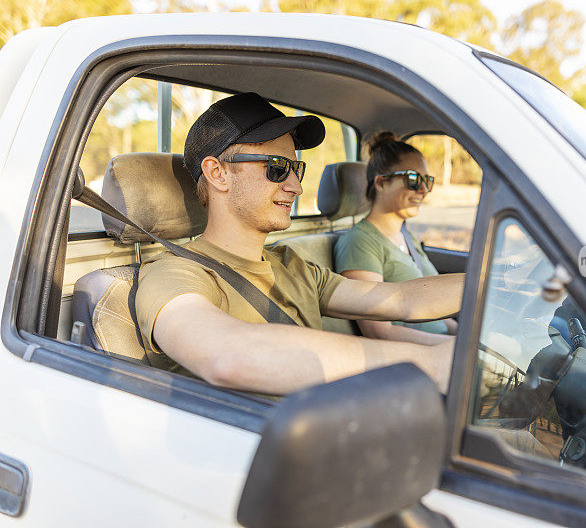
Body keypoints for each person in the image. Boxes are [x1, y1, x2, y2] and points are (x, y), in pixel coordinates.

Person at [134, 93, 462, 395]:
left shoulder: (291, 264)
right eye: (277, 169)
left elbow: (402, 299)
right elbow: (227, 354)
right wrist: (427, 363)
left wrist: (492, 286)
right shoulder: (173, 274)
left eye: (296, 169)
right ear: (218, 174)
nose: (296, 187)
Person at [334, 132, 457, 345]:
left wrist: (471, 338)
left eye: (427, 180)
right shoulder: (360, 243)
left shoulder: (406, 238)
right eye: (413, 179)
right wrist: (453, 349)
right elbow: (379, 332)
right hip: (418, 356)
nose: (424, 189)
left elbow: (437, 307)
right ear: (381, 183)